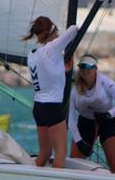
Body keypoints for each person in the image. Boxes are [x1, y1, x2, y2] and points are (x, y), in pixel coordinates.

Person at [23, 16, 78, 169]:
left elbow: (47, 74)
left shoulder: (32, 55)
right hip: (52, 107)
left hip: (39, 107)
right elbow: (74, 30)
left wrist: (63, 67)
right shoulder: (52, 48)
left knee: (44, 154)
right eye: (56, 31)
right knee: (60, 153)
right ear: (52, 31)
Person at [68, 54, 115, 174]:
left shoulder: (105, 82)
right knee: (74, 163)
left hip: (108, 122)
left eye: (88, 67)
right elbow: (71, 119)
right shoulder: (75, 89)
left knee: (114, 163)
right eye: (82, 67)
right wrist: (79, 141)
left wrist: (108, 115)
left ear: (96, 69)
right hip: (85, 123)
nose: (85, 70)